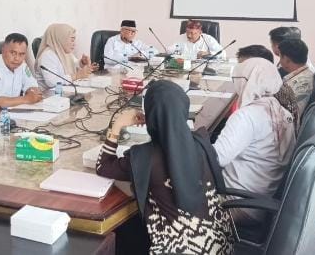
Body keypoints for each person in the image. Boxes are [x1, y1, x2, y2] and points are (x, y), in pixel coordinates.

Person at [97, 80, 235, 254]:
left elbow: (103, 166)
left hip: (175, 250)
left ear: (151, 117)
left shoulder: (144, 157)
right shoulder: (202, 143)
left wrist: (117, 127)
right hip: (221, 247)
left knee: (124, 236)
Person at [212, 58, 296, 225]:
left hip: (234, 203)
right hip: (262, 202)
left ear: (245, 82)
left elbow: (215, 159)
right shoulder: (284, 113)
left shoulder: (246, 116)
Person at [0, 33, 42, 109]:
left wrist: (32, 92)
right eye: (13, 53)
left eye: (21, 54)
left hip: (10, 110)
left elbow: (32, 85)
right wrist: (27, 99)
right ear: (3, 50)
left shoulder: (22, 65)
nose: (17, 58)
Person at [34, 24, 98, 88]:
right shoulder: (48, 55)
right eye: (72, 40)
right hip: (50, 93)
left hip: (66, 90)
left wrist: (82, 63)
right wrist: (76, 76)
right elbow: (52, 82)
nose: (74, 44)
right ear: (61, 39)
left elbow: (73, 63)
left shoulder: (63, 52)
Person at [278, 39, 314, 115]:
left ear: (287, 60)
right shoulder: (305, 75)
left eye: (280, 57)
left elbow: (285, 114)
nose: (280, 61)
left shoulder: (300, 83)